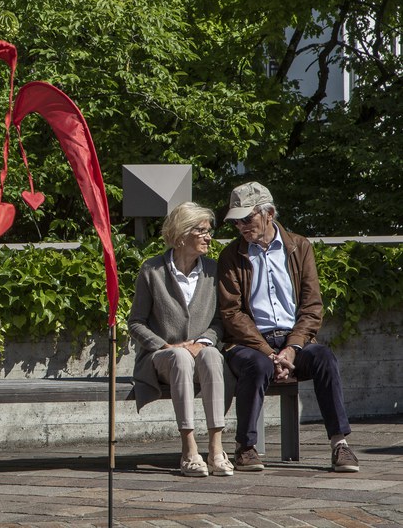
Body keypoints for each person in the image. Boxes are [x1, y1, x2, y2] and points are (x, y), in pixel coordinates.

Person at [218, 181, 359, 472]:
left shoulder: (299, 246)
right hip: (249, 344)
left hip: (293, 341)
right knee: (257, 366)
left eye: (248, 218)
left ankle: (340, 444)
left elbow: (311, 306)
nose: (242, 226)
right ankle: (245, 447)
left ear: (268, 213)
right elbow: (232, 313)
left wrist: (293, 348)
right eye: (236, 222)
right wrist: (269, 351)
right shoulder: (231, 255)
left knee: (324, 358)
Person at [128, 202, 233, 478]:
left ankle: (216, 448)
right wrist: (164, 346)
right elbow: (135, 323)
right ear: (182, 233)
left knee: (212, 355)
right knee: (179, 356)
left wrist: (204, 341)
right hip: (161, 357)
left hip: (200, 353)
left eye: (209, 231)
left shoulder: (213, 270)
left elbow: (220, 321)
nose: (209, 237)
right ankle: (188, 449)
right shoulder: (152, 271)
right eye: (202, 230)